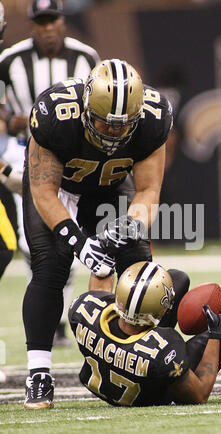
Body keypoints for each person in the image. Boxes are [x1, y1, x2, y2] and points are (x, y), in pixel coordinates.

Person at [22, 58, 173, 409]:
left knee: (137, 263)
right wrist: (79, 242)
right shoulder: (54, 115)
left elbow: (149, 191)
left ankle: (142, 357)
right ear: (87, 106)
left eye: (123, 125)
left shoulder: (153, 119)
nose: (113, 132)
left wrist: (131, 224)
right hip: (59, 191)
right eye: (105, 121)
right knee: (51, 267)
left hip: (110, 190)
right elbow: (43, 192)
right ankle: (39, 373)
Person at [32, 260, 221, 410]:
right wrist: (216, 334)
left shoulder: (83, 308)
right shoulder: (164, 348)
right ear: (155, 316)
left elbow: (101, 290)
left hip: (108, 364)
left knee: (177, 279)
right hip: (150, 390)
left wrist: (104, 261)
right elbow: (199, 394)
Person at [0, 0, 100, 345]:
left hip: (72, 156)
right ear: (32, 25)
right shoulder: (10, 60)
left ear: (63, 21)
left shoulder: (86, 57)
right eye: (40, 22)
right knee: (34, 241)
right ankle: (53, 310)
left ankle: (57, 314)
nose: (47, 29)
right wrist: (10, 121)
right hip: (24, 151)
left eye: (52, 21)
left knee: (64, 233)